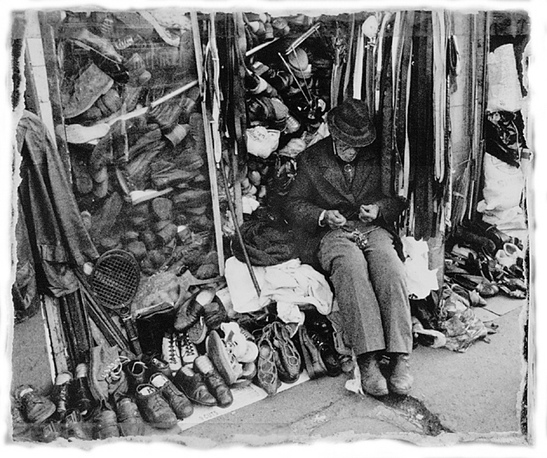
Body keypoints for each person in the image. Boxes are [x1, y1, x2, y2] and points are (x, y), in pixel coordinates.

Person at [285, 98, 413, 397]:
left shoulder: (378, 155)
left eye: (357, 144)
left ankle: (400, 357)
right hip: (334, 231)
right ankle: (367, 359)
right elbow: (292, 204)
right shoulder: (312, 159)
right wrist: (322, 216)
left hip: (371, 226)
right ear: (332, 132)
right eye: (345, 142)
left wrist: (379, 209)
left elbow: (397, 199)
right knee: (352, 269)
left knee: (390, 269)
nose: (351, 150)